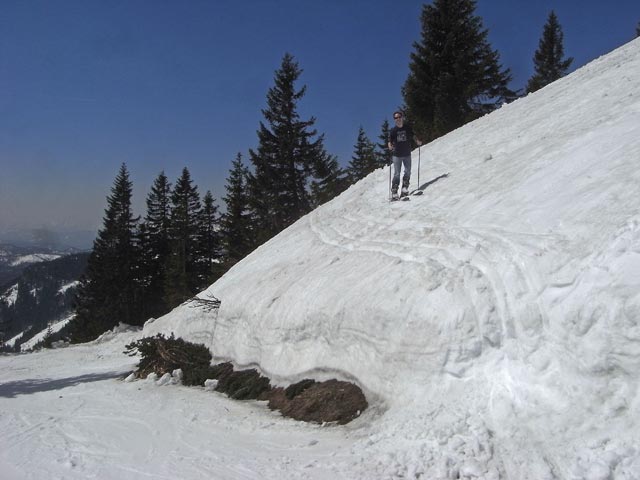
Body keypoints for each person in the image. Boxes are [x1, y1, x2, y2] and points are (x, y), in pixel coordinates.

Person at [388, 111, 422, 199]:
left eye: (399, 117)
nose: (398, 119)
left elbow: (413, 135)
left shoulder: (407, 128)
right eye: (396, 118)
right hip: (397, 155)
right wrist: (390, 146)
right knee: (397, 173)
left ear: (402, 117)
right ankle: (394, 192)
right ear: (394, 120)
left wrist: (417, 141)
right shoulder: (393, 130)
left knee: (408, 171)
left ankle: (404, 188)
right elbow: (390, 141)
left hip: (407, 153)